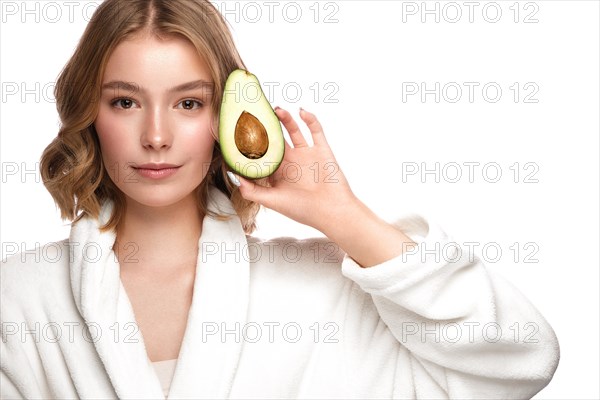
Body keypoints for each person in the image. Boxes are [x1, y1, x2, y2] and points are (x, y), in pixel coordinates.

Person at [0, 0, 559, 398]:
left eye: (188, 104)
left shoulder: (317, 290)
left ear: (224, 116)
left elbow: (514, 361)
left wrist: (344, 216)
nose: (156, 135)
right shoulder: (23, 297)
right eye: (124, 102)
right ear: (88, 113)